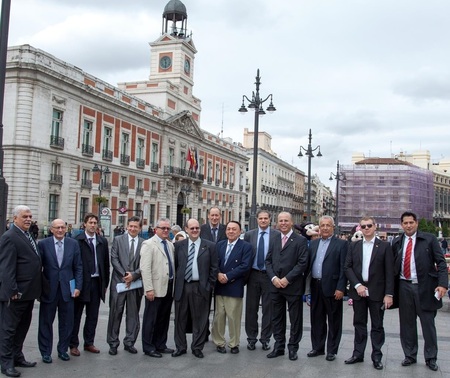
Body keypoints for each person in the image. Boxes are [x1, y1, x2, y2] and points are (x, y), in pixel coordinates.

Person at [392, 211, 448, 372]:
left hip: (425, 287)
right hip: (404, 287)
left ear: (416, 223)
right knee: (407, 324)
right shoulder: (397, 242)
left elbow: (441, 263)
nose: (408, 225)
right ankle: (409, 355)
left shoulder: (429, 239)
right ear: (401, 225)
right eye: (405, 223)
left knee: (428, 325)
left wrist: (443, 284)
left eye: (411, 222)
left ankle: (431, 358)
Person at [344, 216, 394, 370]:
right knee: (359, 323)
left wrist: (389, 294)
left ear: (375, 226)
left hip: (377, 293)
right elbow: (347, 267)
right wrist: (357, 285)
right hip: (358, 292)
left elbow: (389, 272)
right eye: (363, 226)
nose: (366, 229)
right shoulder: (354, 246)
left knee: (377, 325)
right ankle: (358, 354)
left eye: (369, 226)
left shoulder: (384, 246)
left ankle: (377, 356)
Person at [0, 205, 42, 378]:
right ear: (15, 218)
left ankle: (18, 356)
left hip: (29, 293)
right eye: (24, 216)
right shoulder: (9, 237)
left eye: (30, 216)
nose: (28, 219)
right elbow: (6, 268)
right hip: (16, 294)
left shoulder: (27, 234)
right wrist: (12, 291)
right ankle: (6, 363)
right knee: (8, 330)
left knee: (23, 327)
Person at [265, 212, 309, 361]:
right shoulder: (274, 238)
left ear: (291, 223)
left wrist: (287, 279)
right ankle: (279, 346)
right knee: (277, 318)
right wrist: (273, 278)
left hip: (292, 286)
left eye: (286, 221)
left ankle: (293, 348)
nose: (283, 223)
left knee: (295, 319)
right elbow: (268, 261)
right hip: (275, 286)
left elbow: (302, 263)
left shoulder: (300, 240)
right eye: (280, 221)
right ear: (277, 223)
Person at [38, 219, 83, 364]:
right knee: (46, 322)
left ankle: (62, 350)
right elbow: (38, 268)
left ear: (66, 229)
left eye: (62, 227)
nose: (60, 230)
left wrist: (78, 287)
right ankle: (45, 352)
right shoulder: (43, 244)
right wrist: (39, 289)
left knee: (67, 322)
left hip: (67, 290)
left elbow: (78, 267)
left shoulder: (73, 244)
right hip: (49, 290)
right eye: (57, 227)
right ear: (51, 229)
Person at [172, 218, 218, 358]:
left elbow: (214, 268)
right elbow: (176, 265)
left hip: (200, 287)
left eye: (197, 228)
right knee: (180, 318)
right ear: (186, 229)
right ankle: (180, 347)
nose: (195, 230)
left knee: (200, 319)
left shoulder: (210, 246)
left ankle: (197, 347)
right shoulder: (179, 245)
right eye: (192, 228)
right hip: (183, 286)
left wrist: (208, 286)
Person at [307, 215, 348, 362]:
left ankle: (331, 350)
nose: (325, 228)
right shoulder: (313, 244)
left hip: (333, 287)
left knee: (334, 320)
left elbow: (345, 268)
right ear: (319, 227)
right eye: (322, 225)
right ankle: (317, 347)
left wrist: (341, 288)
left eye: (328, 225)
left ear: (333, 227)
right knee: (316, 319)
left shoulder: (342, 244)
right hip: (315, 286)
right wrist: (307, 291)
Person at [70, 213, 110, 356]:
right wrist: (75, 285)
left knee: (92, 315)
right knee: (76, 315)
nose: (93, 225)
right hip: (82, 283)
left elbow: (106, 263)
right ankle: (73, 344)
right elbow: (73, 265)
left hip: (97, 282)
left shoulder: (102, 241)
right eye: (90, 222)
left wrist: (105, 283)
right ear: (84, 224)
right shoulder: (76, 241)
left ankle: (89, 342)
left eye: (95, 223)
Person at [212, 221, 252, 355]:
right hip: (219, 285)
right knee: (219, 316)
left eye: (234, 229)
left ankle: (234, 343)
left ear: (240, 231)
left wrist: (227, 276)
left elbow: (245, 266)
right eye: (228, 229)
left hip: (234, 286)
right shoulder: (220, 245)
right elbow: (214, 262)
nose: (230, 231)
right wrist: (218, 274)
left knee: (234, 317)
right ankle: (219, 341)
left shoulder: (246, 247)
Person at [107, 216, 144, 356]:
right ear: (127, 226)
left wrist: (134, 275)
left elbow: (145, 263)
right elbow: (114, 258)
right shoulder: (117, 240)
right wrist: (124, 274)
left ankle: (129, 342)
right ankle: (113, 343)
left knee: (133, 315)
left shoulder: (143, 243)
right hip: (119, 282)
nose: (133, 229)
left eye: (136, 226)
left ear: (140, 228)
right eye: (131, 226)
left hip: (135, 284)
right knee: (115, 313)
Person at [244, 210, 280, 351]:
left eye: (266, 218)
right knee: (251, 309)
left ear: (270, 220)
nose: (263, 220)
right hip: (252, 275)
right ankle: (251, 338)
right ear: (257, 219)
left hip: (269, 276)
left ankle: (265, 338)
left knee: (268, 309)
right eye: (261, 218)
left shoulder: (276, 236)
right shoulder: (249, 235)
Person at [140, 217, 175, 358]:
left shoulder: (170, 244)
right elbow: (145, 268)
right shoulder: (149, 244)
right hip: (154, 288)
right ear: (156, 230)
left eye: (168, 228)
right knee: (151, 318)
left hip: (168, 286)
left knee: (163, 318)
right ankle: (148, 346)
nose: (166, 230)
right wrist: (148, 288)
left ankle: (160, 344)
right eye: (163, 228)